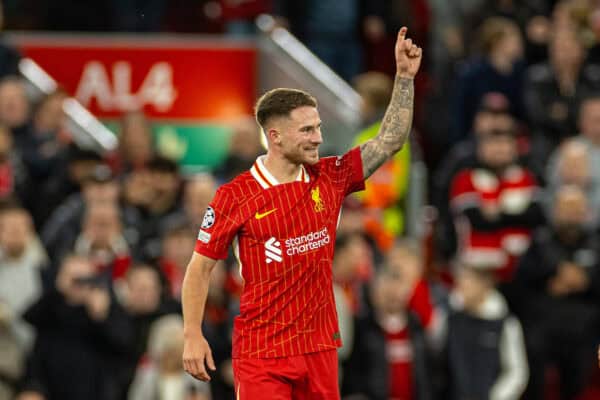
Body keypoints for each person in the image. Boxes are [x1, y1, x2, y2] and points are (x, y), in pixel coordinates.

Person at [182, 26, 422, 399]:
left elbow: (390, 140)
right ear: (275, 137)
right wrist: (192, 335)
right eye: (307, 130)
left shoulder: (331, 176)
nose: (318, 138)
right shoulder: (235, 196)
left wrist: (404, 79)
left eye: (318, 128)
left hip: (319, 349)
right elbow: (199, 268)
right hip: (262, 354)